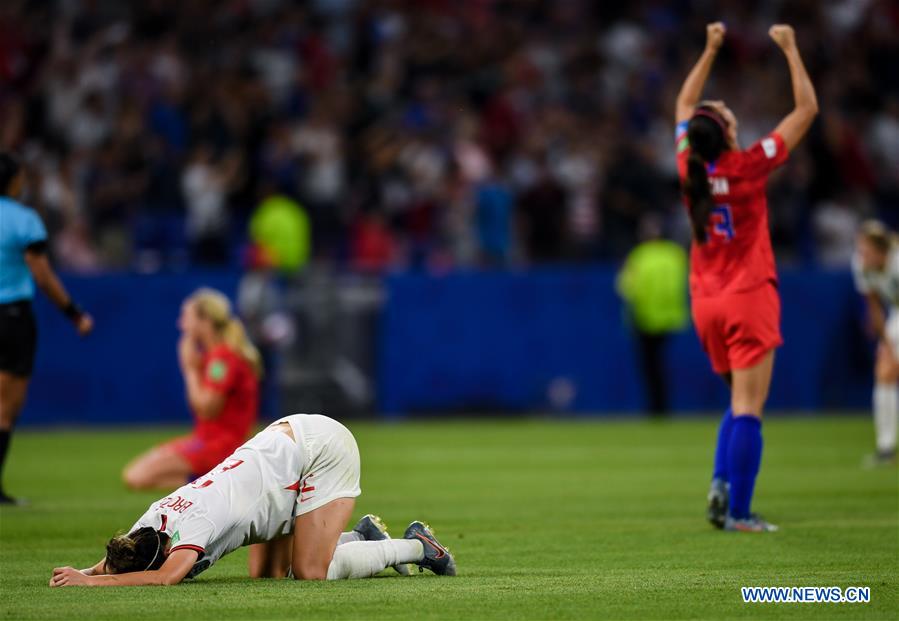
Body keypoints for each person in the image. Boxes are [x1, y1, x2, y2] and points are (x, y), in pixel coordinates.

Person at [674, 23, 818, 532]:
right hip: (748, 296)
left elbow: (682, 103)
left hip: (705, 302)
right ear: (730, 134)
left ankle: (721, 485)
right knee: (749, 408)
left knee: (738, 401)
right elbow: (806, 110)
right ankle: (740, 513)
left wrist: (710, 46)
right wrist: (791, 49)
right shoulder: (749, 165)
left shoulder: (688, 166)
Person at [49, 414, 454, 586]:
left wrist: (91, 583)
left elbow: (164, 577)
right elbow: (122, 558)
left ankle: (417, 548)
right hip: (281, 450)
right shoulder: (152, 520)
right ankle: (360, 538)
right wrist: (85, 571)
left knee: (310, 572)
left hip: (320, 450)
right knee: (269, 576)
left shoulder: (195, 526)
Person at [0, 152, 94, 505]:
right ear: (13, 181)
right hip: (11, 318)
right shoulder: (23, 219)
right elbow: (41, 274)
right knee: (5, 408)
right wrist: (74, 313)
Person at [122, 288, 262, 490]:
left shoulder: (222, 359)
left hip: (221, 446)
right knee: (136, 476)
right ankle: (217, 480)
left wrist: (190, 370)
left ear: (205, 321)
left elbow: (207, 408)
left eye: (186, 316)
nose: (181, 324)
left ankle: (219, 480)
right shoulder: (214, 357)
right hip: (206, 440)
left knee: (137, 477)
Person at [616, 214, 689, 416]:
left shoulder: (639, 255)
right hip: (670, 318)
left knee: (650, 367)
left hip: (645, 318)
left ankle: (655, 408)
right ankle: (663, 406)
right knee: (662, 365)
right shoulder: (675, 254)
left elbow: (626, 288)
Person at [852, 220, 899, 466]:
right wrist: (886, 343)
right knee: (884, 371)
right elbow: (873, 304)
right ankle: (885, 448)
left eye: (866, 250)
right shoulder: (861, 265)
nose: (861, 254)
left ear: (882, 251)